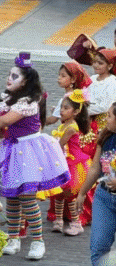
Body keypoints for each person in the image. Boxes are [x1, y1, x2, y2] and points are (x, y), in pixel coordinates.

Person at [0, 52, 69, 261]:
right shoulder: (7, 100)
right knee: (11, 197)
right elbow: (3, 130)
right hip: (11, 149)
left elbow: (5, 121)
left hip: (29, 151)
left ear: (25, 82)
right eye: (9, 75)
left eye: (14, 76)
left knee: (28, 199)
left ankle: (38, 241)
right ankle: (14, 237)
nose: (8, 79)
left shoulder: (29, 102)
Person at [75, 103, 116, 266]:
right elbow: (94, 168)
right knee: (99, 246)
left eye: (109, 116)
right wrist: (82, 193)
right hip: (104, 198)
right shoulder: (105, 137)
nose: (105, 119)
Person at [45, 61, 93, 226]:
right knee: (64, 191)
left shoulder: (70, 99)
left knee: (69, 190)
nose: (59, 78)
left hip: (70, 156)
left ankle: (74, 221)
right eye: (59, 75)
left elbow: (53, 121)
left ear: (73, 79)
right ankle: (61, 218)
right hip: (67, 154)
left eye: (63, 76)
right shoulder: (70, 98)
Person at [49, 90, 91, 236]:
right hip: (64, 161)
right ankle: (59, 220)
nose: (61, 111)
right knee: (60, 193)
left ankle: (76, 222)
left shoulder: (71, 128)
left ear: (76, 112)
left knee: (69, 194)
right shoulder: (66, 124)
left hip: (72, 163)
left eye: (66, 108)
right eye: (62, 107)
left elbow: (59, 145)